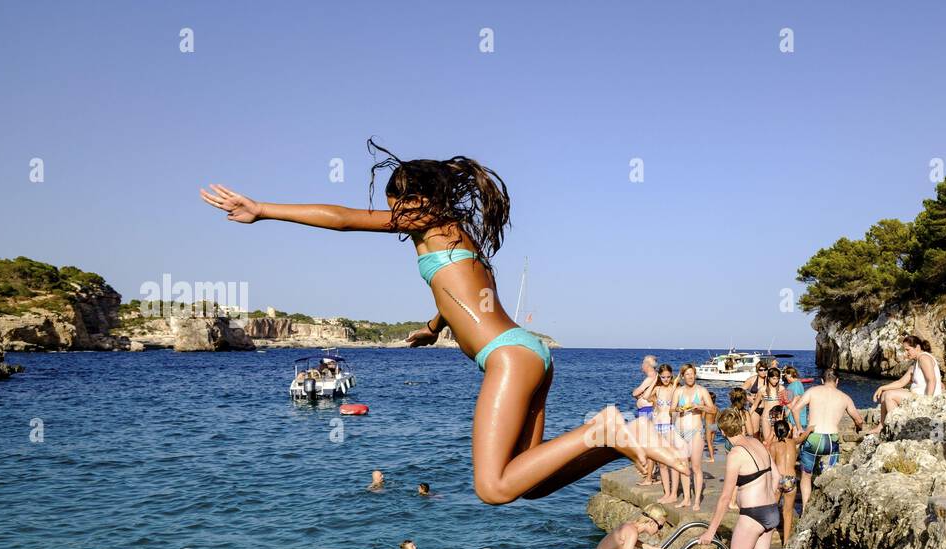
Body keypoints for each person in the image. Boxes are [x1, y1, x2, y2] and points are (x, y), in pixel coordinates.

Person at [200, 148, 687, 508]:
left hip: (507, 358)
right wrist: (434, 327)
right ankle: (610, 444)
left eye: (397, 205)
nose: (394, 216)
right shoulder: (456, 234)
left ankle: (602, 429)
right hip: (529, 353)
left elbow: (344, 219)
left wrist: (264, 210)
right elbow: (469, 294)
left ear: (419, 200)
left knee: (492, 488)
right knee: (529, 484)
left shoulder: (427, 223)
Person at [698, 409, 778, 549]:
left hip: (752, 514)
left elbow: (725, 497)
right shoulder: (757, 443)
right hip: (772, 511)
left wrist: (711, 531)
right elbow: (777, 477)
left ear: (723, 432)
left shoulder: (735, 454)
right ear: (741, 425)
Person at [790, 368, 865, 511]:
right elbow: (859, 420)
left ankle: (805, 509)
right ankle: (826, 508)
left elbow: (795, 409)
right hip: (831, 441)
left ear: (822, 380)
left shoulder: (812, 391)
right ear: (837, 381)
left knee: (806, 475)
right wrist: (858, 428)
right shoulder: (845, 397)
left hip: (813, 438)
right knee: (830, 475)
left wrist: (799, 428)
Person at [869, 335, 943, 434]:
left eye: (908, 350)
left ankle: (897, 428)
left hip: (924, 399)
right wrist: (882, 387)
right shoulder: (916, 364)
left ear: (917, 347)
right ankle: (881, 426)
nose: (906, 353)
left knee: (889, 395)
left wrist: (928, 400)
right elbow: (900, 382)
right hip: (917, 396)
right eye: (905, 350)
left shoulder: (924, 358)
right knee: (885, 393)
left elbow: (932, 380)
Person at [672, 364, 714, 510]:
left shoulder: (701, 391)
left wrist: (700, 407)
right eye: (687, 374)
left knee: (696, 467)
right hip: (679, 432)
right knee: (683, 467)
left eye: (692, 374)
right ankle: (686, 499)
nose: (690, 377)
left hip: (696, 432)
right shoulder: (678, 391)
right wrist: (677, 409)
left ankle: (696, 501)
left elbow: (713, 409)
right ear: (683, 376)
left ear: (695, 375)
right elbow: (671, 409)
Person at [651, 364, 684, 504]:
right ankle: (667, 493)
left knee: (672, 461)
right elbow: (645, 396)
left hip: (670, 427)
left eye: (668, 377)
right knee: (662, 463)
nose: (666, 379)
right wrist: (655, 380)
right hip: (657, 427)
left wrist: (675, 382)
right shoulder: (657, 389)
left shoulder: (675, 389)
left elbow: (677, 404)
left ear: (672, 376)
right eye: (663, 377)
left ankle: (674, 494)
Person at [768, 407, 801, 545]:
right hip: (791, 479)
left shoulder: (773, 446)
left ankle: (767, 538)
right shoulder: (793, 442)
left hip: (779, 479)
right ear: (788, 431)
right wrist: (809, 429)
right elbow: (802, 437)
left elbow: (771, 464)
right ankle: (786, 542)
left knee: (771, 510)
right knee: (788, 512)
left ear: (775, 433)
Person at [632, 355, 659, 485]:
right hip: (646, 411)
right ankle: (650, 472)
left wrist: (638, 393)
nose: (641, 366)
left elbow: (635, 393)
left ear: (647, 365)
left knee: (646, 443)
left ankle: (650, 473)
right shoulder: (653, 377)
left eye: (643, 363)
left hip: (647, 412)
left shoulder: (650, 377)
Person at [752, 367, 790, 445]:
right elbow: (755, 405)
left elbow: (786, 404)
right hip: (766, 418)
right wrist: (748, 416)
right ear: (768, 377)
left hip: (778, 418)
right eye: (774, 378)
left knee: (777, 442)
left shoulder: (781, 388)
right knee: (767, 442)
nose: (776, 381)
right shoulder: (762, 389)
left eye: (777, 379)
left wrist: (786, 416)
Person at [783, 366, 807, 432]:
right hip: (793, 415)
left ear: (790, 375)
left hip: (795, 415)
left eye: (786, 375)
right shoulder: (795, 384)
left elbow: (797, 398)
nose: (785, 377)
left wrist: (788, 410)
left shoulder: (796, 384)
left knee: (795, 433)